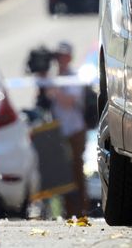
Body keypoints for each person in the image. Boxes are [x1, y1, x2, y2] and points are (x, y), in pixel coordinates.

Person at [46, 41, 88, 218]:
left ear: (70, 57)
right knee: (62, 172)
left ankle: (81, 210)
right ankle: (65, 210)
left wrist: (54, 88)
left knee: (76, 168)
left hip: (75, 130)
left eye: (63, 55)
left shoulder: (73, 76)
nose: (60, 59)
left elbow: (69, 101)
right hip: (59, 130)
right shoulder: (53, 77)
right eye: (58, 56)